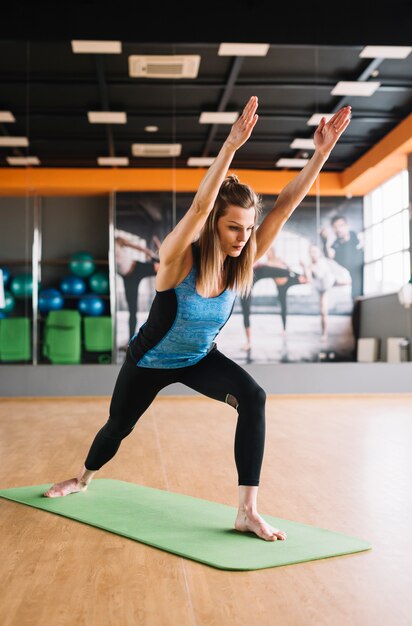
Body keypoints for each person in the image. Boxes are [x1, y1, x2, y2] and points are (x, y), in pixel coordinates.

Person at [44, 96, 351, 542]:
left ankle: (247, 510)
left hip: (198, 358)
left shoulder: (240, 260)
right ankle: (82, 478)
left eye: (248, 229)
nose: (244, 239)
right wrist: (229, 145)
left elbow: (283, 206)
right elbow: (199, 208)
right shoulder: (177, 261)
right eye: (233, 228)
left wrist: (321, 154)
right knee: (118, 428)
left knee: (255, 397)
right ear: (214, 227)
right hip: (148, 363)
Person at [240, 246, 307, 352]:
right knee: (246, 308)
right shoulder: (263, 264)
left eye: (268, 251)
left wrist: (297, 269)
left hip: (288, 280)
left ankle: (284, 329)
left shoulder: (277, 260)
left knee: (295, 278)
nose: (267, 253)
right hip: (270, 283)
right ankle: (249, 342)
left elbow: (286, 269)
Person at [115, 233, 160, 341]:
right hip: (128, 278)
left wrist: (147, 251)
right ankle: (131, 340)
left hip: (137, 267)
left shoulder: (116, 241)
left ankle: (160, 250)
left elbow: (135, 246)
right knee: (132, 309)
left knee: (161, 267)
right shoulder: (108, 248)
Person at [302, 244, 352, 341]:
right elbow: (309, 280)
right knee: (323, 311)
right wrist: (305, 268)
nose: (313, 254)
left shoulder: (325, 262)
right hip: (321, 287)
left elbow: (336, 268)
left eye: (315, 252)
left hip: (331, 281)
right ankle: (324, 333)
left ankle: (324, 334)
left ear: (319, 253)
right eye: (311, 252)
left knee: (345, 281)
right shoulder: (310, 267)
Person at [320, 214, 364, 301]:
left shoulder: (357, 237)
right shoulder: (335, 245)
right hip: (353, 280)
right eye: (335, 227)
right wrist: (325, 240)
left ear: (347, 226)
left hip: (364, 275)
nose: (338, 229)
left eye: (341, 226)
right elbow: (329, 255)